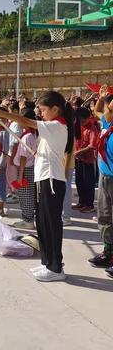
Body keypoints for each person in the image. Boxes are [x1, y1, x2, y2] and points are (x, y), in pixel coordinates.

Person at [0, 91, 74, 282]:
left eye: (43, 110)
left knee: (51, 225)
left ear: (55, 109)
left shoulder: (58, 125)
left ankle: (56, 267)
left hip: (51, 181)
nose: (40, 113)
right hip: (43, 179)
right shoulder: (52, 127)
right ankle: (48, 263)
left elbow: (27, 122)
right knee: (42, 223)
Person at [89, 85, 113, 277]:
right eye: (108, 108)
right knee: (104, 216)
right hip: (104, 177)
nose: (106, 111)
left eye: (110, 109)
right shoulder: (107, 125)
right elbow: (96, 110)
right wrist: (100, 97)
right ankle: (108, 252)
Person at [11, 108, 38, 230]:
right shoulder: (32, 134)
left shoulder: (27, 136)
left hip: (26, 168)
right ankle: (27, 218)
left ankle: (28, 220)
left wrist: (20, 175)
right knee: (28, 194)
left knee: (25, 195)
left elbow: (23, 157)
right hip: (30, 168)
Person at [72, 107, 99, 213]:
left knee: (88, 183)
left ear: (88, 118)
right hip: (79, 159)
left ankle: (89, 204)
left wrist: (79, 152)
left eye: (83, 121)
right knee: (79, 181)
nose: (82, 123)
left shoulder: (92, 128)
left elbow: (92, 145)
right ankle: (82, 202)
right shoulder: (79, 127)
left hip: (88, 160)